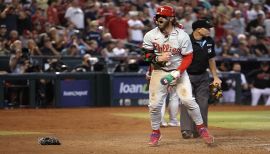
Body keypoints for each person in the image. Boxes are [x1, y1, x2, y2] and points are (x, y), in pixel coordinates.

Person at [142, 5, 214, 146]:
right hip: (159, 71)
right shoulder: (150, 35)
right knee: (154, 105)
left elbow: (188, 57)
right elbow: (146, 56)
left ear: (171, 18)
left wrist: (178, 72)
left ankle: (202, 129)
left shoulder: (182, 35)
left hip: (179, 71)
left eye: (163, 16)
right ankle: (155, 132)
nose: (159, 19)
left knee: (188, 101)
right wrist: (157, 59)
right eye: (158, 16)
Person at [180, 19, 222, 139]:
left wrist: (215, 77)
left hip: (203, 76)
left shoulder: (209, 41)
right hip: (186, 76)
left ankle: (201, 129)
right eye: (207, 28)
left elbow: (211, 60)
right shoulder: (185, 40)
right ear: (198, 29)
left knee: (203, 103)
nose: (209, 30)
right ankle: (186, 130)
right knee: (187, 102)